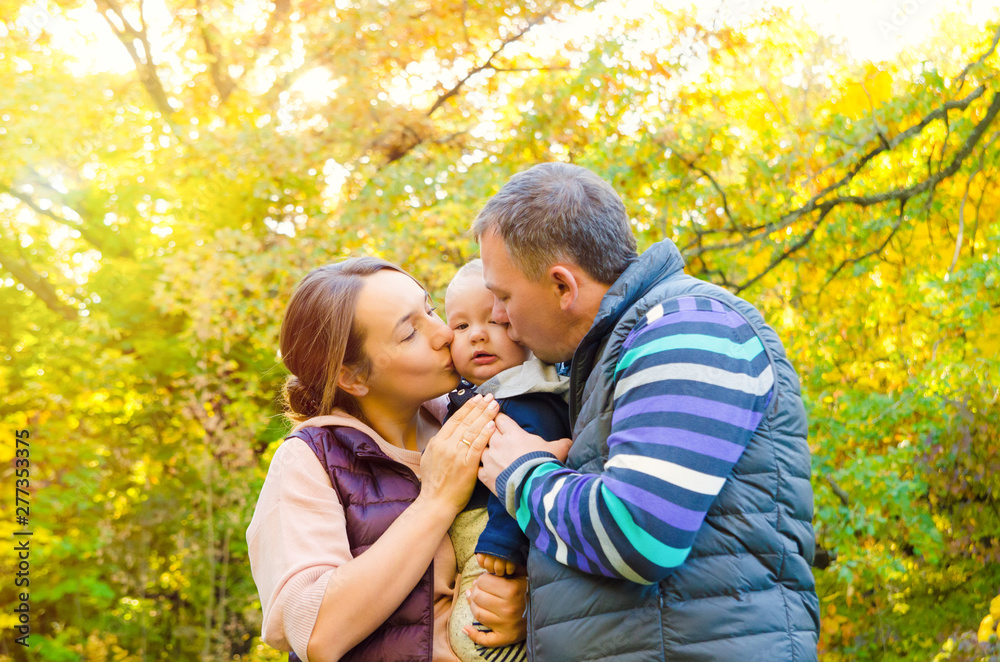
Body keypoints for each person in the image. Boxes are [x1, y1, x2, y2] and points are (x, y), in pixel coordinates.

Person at [474, 162, 820, 661]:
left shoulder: (690, 328)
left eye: (503, 296)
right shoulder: (612, 358)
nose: (499, 316)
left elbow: (637, 534)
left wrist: (520, 473)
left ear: (562, 287)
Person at [246, 258, 531, 662]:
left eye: (430, 310)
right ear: (353, 377)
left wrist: (525, 608)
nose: (443, 333)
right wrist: (436, 500)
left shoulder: (484, 414)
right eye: (410, 332)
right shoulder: (310, 460)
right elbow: (317, 634)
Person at [442, 259, 572, 662]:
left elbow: (519, 471)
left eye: (494, 322)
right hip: (469, 543)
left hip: (498, 545)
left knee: (476, 634)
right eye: (460, 327)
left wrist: (502, 543)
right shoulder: (472, 396)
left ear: (520, 329)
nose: (477, 335)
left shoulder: (527, 399)